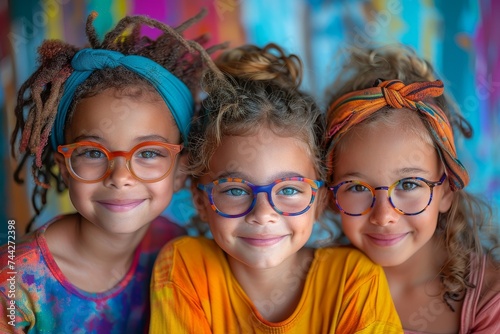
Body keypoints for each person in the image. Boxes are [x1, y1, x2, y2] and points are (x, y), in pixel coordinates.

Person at [149, 43, 403, 333]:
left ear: (319, 200)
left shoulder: (353, 278)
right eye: (234, 190)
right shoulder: (186, 267)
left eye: (290, 190)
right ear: (200, 200)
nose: (263, 214)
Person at [0, 10, 220, 333]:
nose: (120, 177)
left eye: (148, 153)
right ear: (64, 167)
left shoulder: (178, 253)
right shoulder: (15, 284)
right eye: (92, 152)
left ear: (180, 171)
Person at [324, 45, 500, 333]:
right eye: (357, 187)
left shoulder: (489, 300)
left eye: (408, 184)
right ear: (332, 193)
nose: (383, 216)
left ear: (446, 189)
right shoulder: (318, 288)